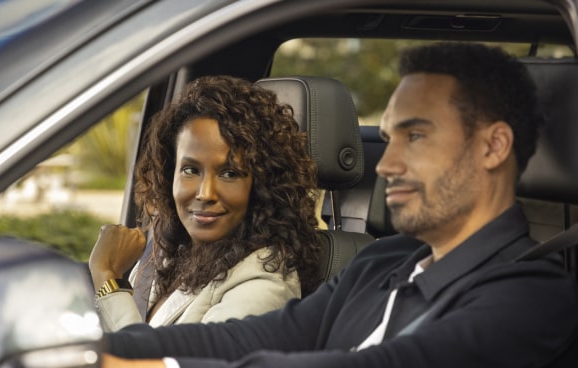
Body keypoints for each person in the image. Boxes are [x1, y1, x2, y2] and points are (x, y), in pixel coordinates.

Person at [101, 43, 578, 367]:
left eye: (415, 136)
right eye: (389, 139)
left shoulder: (533, 297)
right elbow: (244, 338)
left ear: (493, 147)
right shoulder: (382, 263)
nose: (387, 164)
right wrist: (90, 351)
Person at [89, 75, 322, 332]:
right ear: (170, 176)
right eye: (190, 170)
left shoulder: (264, 286)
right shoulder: (169, 255)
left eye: (229, 173)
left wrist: (107, 277)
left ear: (262, 186)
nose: (205, 193)